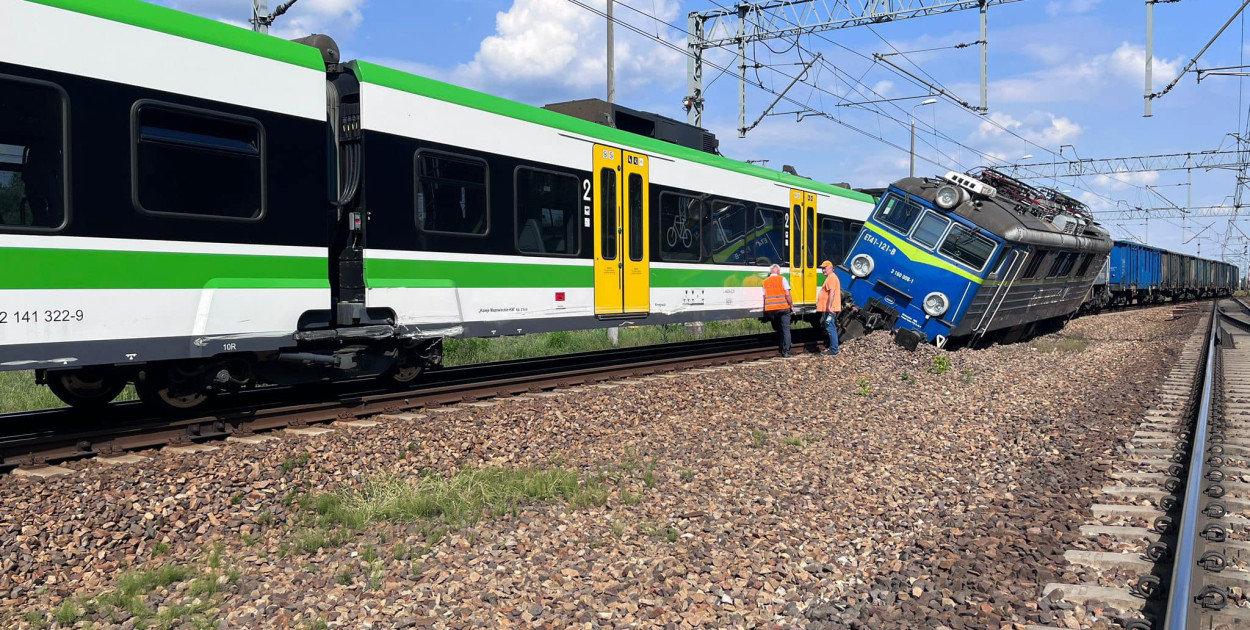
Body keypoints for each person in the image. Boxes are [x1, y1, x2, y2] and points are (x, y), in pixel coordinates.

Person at [762, 264, 793, 357]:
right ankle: (786, 351)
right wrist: (791, 305)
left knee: (779, 328)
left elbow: (764, 296)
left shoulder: (765, 282)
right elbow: (787, 294)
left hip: (771, 310)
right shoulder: (782, 279)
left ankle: (781, 345)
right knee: (786, 329)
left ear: (771, 272)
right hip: (783, 308)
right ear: (778, 272)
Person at [816, 260, 842, 355]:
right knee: (831, 328)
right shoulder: (831, 277)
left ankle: (834, 350)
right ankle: (833, 349)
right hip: (829, 308)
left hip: (830, 308)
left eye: (825, 268)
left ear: (831, 268)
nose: (823, 270)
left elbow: (832, 292)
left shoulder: (831, 278)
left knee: (831, 328)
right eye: (822, 268)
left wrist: (829, 306)